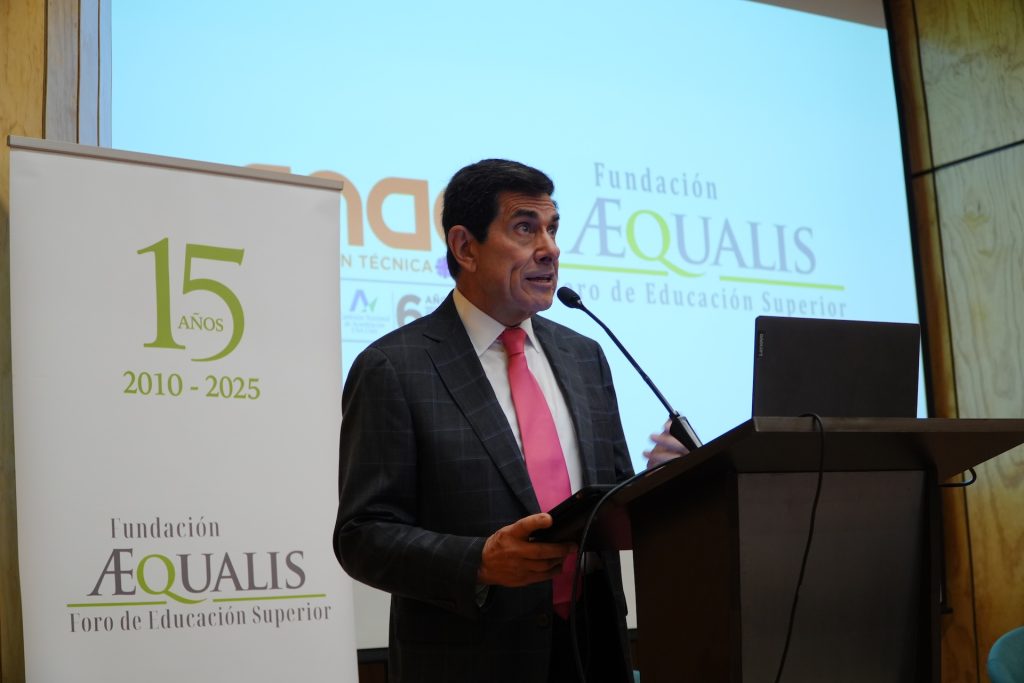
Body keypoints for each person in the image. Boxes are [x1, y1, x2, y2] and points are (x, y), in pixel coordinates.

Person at [334, 159, 683, 683]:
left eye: (553, 229)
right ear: (465, 246)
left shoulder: (584, 356)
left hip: (593, 648)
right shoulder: (395, 367)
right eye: (525, 228)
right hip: (471, 660)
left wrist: (659, 485)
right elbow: (362, 536)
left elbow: (605, 504)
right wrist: (478, 561)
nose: (550, 249)